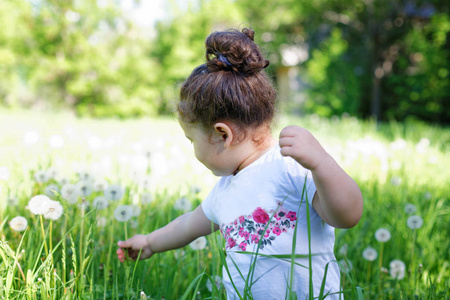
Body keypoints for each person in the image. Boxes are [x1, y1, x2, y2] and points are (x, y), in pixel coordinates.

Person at [117, 28, 363, 299]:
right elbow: (188, 225)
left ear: (222, 135)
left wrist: (322, 164)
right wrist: (150, 242)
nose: (193, 150)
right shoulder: (225, 190)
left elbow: (347, 216)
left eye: (191, 140)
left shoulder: (289, 166)